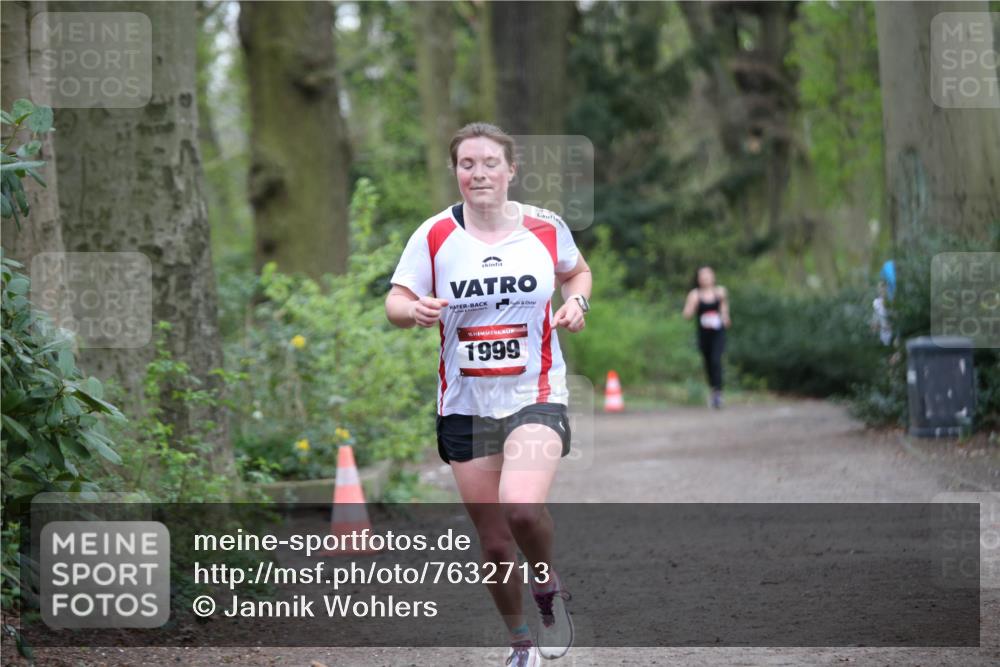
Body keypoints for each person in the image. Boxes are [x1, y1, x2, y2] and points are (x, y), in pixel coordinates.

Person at [385, 122, 591, 667]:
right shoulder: (433, 235)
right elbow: (396, 301)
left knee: (522, 509)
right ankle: (521, 642)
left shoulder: (545, 228)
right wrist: (414, 312)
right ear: (455, 171)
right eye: (467, 164)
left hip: (536, 392)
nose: (479, 173)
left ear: (511, 170)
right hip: (466, 405)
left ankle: (547, 588)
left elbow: (578, 273)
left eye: (490, 163)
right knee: (497, 544)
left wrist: (578, 305)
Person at [682, 266, 731, 409]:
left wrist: (726, 317)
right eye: (702, 276)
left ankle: (718, 393)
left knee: (716, 360)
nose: (705, 278)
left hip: (718, 333)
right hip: (704, 335)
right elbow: (687, 315)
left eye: (708, 275)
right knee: (708, 362)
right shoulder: (694, 295)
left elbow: (724, 310)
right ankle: (713, 389)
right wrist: (692, 307)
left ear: (713, 277)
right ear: (698, 279)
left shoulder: (720, 292)